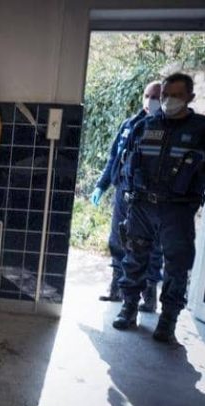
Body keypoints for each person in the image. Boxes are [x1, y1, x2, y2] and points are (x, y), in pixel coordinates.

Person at [112, 72, 205, 343]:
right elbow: (128, 162)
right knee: (134, 258)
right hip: (142, 205)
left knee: (176, 265)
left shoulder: (201, 130)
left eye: (176, 95)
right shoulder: (145, 125)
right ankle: (129, 308)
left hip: (178, 209)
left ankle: (168, 321)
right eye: (165, 95)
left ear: (190, 97)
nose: (168, 100)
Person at [92, 81, 163, 312]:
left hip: (148, 199)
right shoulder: (129, 124)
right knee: (117, 240)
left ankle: (149, 295)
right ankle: (116, 288)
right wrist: (101, 186)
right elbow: (114, 158)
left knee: (150, 248)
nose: (150, 101)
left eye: (156, 97)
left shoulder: (166, 129)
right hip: (123, 193)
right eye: (147, 95)